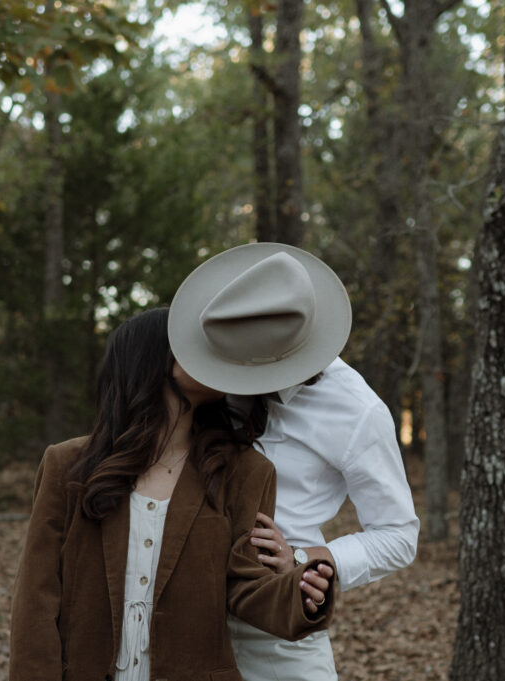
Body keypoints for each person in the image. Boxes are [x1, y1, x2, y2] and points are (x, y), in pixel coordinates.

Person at [9, 308, 335, 681]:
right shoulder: (66, 465)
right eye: (191, 347)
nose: (213, 358)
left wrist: (301, 592)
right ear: (149, 358)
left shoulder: (246, 473)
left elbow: (245, 590)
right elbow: (36, 600)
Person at [168, 243, 420, 681]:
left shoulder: (357, 410)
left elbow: (399, 535)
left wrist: (307, 557)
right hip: (180, 615)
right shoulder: (202, 365)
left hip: (276, 631)